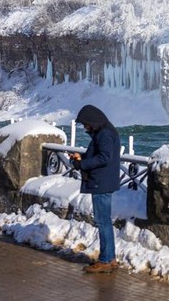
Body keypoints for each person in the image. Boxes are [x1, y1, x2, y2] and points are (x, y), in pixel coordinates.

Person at [70, 104, 122, 273]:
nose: (85, 127)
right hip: (104, 181)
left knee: (102, 222)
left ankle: (105, 260)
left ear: (93, 121)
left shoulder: (104, 134)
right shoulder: (106, 131)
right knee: (105, 222)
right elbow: (101, 155)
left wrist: (82, 163)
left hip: (101, 182)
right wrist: (83, 158)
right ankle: (110, 258)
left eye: (86, 124)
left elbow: (104, 158)